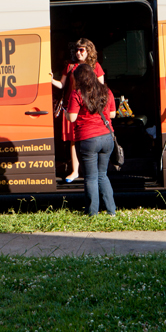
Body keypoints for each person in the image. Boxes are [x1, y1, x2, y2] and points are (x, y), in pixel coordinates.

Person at [50, 38, 105, 182]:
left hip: (89, 108)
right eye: (77, 50)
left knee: (91, 138)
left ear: (89, 51)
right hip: (73, 107)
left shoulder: (96, 66)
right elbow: (62, 85)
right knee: (73, 140)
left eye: (81, 50)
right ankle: (75, 171)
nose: (78, 53)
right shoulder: (70, 66)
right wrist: (50, 79)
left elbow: (101, 88)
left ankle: (92, 171)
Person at [66, 64, 116, 216]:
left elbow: (72, 117)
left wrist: (66, 113)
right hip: (107, 138)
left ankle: (93, 213)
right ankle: (111, 210)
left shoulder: (77, 94)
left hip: (88, 139)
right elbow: (112, 114)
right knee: (103, 175)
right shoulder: (106, 90)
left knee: (91, 177)